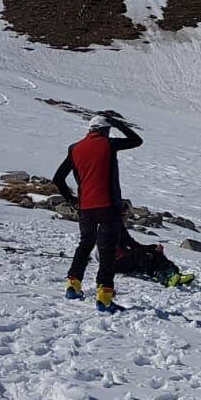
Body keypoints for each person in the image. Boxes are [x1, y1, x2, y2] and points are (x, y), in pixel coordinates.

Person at [52, 115, 142, 311]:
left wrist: (72, 200)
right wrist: (120, 124)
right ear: (105, 129)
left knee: (85, 245)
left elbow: (58, 178)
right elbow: (137, 141)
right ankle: (104, 297)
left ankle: (73, 286)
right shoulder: (108, 144)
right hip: (108, 206)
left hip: (86, 207)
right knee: (107, 251)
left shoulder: (74, 148)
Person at [114, 207, 196, 288]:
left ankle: (174, 273)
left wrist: (153, 248)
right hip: (116, 264)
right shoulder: (110, 230)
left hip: (125, 258)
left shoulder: (121, 229)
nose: (127, 217)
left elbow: (134, 245)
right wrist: (144, 252)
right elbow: (116, 252)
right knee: (139, 254)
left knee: (153, 249)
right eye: (125, 214)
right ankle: (164, 278)